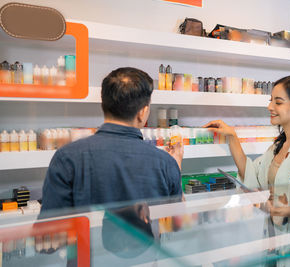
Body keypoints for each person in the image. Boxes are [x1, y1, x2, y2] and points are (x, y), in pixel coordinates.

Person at [204, 75, 290, 260]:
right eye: (271, 100)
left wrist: (282, 210)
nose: (270, 107)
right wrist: (232, 136)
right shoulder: (277, 147)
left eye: (278, 102)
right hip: (277, 243)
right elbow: (252, 175)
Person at [40, 67, 183, 213]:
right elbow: (176, 223)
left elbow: (49, 228)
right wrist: (176, 165)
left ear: (104, 105)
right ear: (143, 112)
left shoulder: (66, 157)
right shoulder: (165, 162)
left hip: (88, 236)